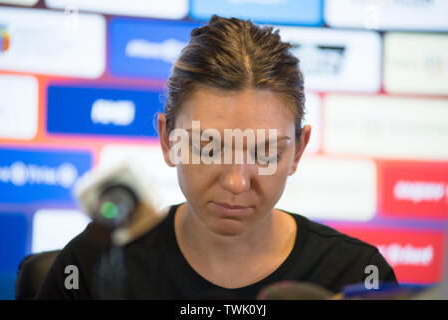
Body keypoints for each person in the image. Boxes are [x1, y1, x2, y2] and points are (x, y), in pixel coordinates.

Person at [36, 15, 397, 300]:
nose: (237, 183)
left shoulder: (357, 277)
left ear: (298, 150)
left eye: (265, 151)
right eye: (209, 148)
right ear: (167, 140)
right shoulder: (91, 267)